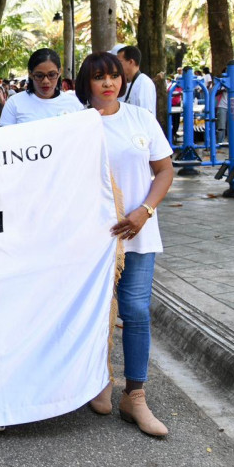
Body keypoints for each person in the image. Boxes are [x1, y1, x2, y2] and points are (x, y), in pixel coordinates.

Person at [75, 52, 174, 437]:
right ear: (87, 83)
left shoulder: (140, 119)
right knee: (94, 311)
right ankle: (99, 379)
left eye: (113, 76)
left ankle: (135, 396)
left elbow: (164, 171)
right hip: (92, 239)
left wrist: (144, 211)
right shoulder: (76, 125)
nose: (108, 83)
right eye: (99, 77)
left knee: (134, 311)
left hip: (138, 233)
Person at [0, 49, 84, 126]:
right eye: (39, 76)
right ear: (30, 74)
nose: (46, 81)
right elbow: (5, 138)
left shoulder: (74, 104)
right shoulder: (14, 103)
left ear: (59, 73)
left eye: (51, 75)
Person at [117, 45, 157, 116]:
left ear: (131, 62)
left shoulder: (144, 83)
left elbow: (146, 115)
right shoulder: (134, 82)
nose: (117, 66)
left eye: (120, 62)